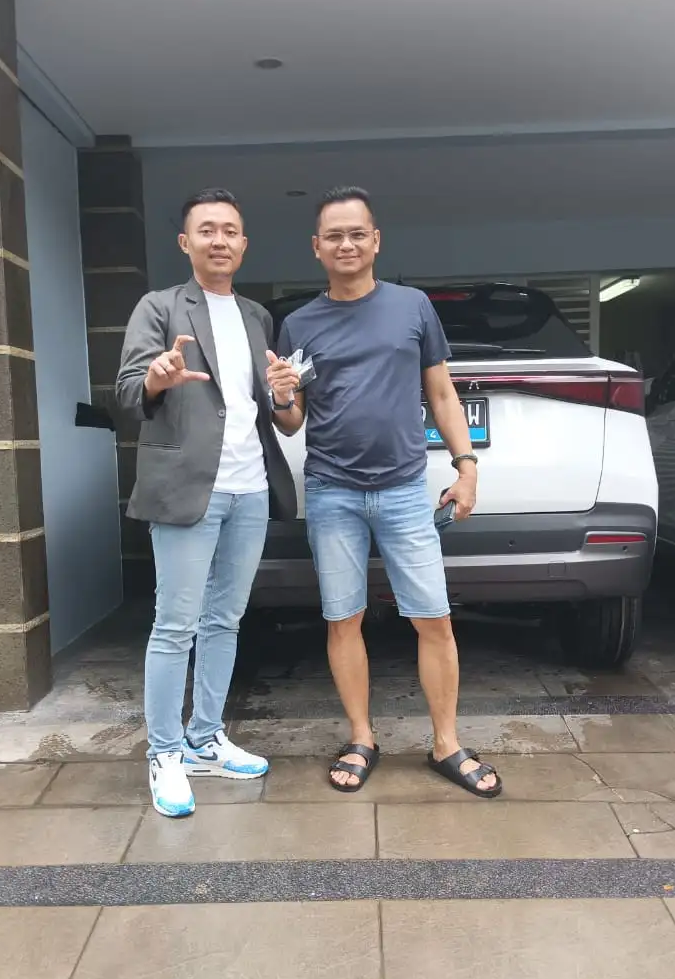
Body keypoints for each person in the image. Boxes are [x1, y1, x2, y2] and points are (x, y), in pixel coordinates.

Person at [266, 186, 501, 799]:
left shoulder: (412, 307)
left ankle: (446, 744)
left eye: (356, 234)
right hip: (332, 492)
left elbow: (442, 394)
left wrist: (467, 467)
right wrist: (282, 395)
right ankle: (361, 737)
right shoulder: (299, 324)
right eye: (334, 236)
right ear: (316, 247)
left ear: (375, 241)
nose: (346, 244)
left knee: (434, 620)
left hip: (403, 490)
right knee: (343, 620)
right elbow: (292, 422)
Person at [117, 188, 296, 818]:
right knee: (175, 625)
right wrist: (156, 378)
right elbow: (126, 391)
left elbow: (272, 410)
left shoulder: (256, 316)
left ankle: (205, 738)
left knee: (226, 619)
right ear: (185, 242)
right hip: (187, 487)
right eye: (207, 230)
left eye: (230, 231)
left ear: (244, 244)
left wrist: (284, 395)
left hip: (250, 487)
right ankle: (164, 752)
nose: (219, 240)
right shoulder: (159, 306)